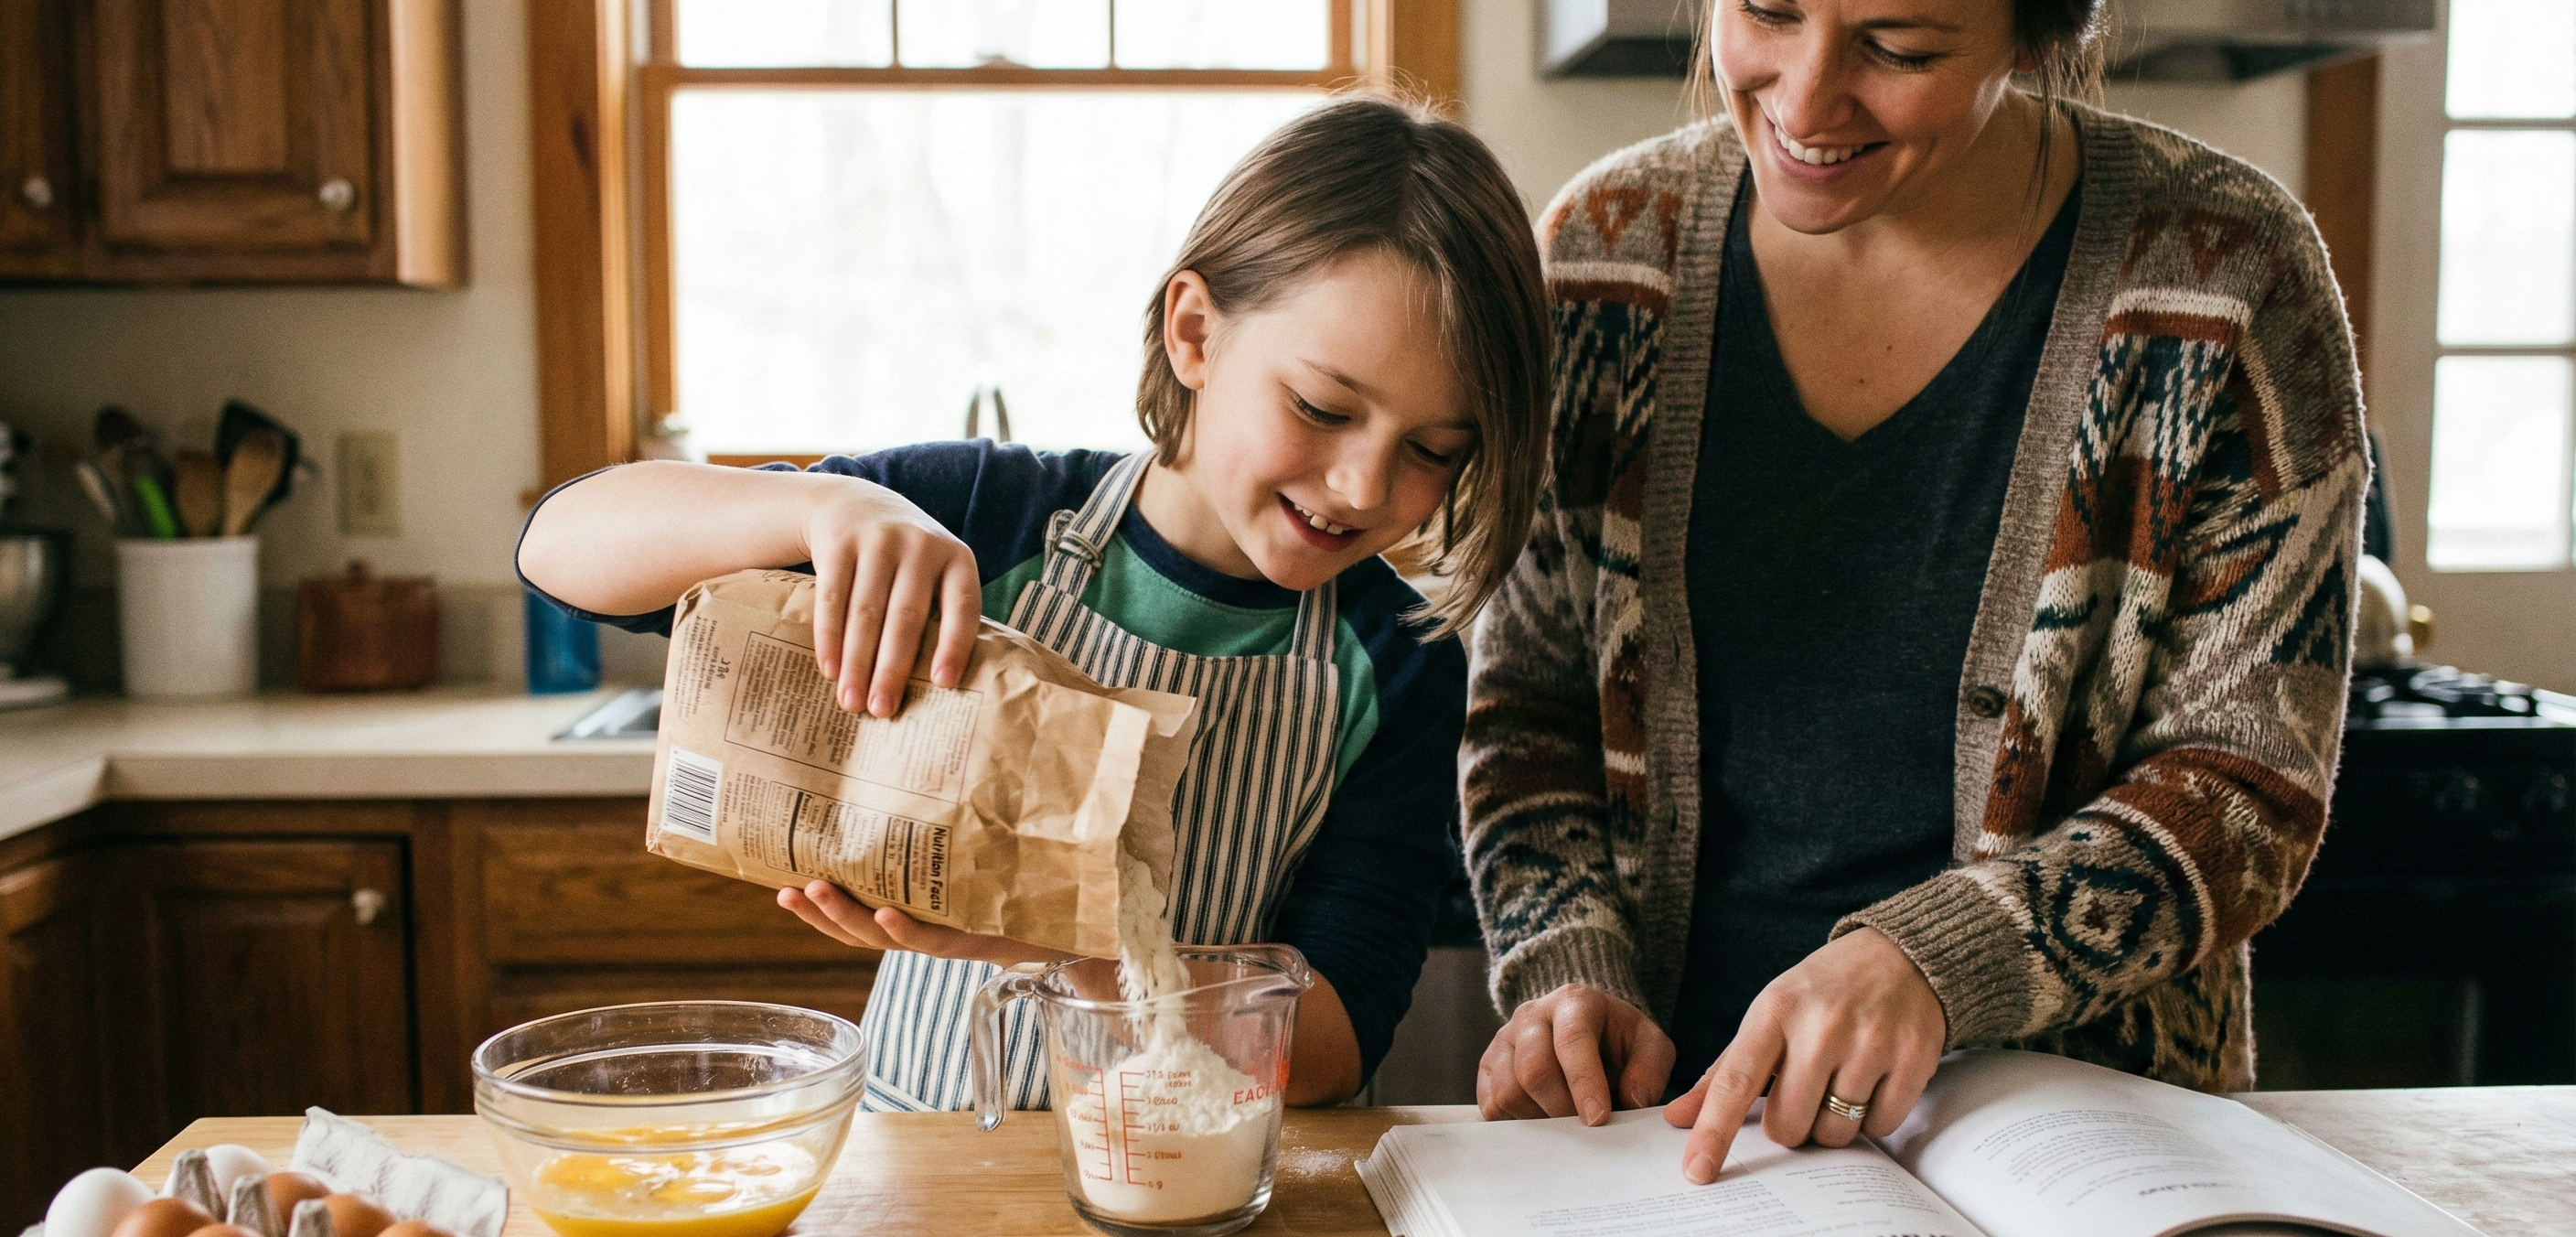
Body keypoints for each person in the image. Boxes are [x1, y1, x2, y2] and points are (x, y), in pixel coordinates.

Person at [1460, 0, 2366, 1185]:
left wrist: (1942, 961)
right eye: (1767, 10)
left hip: (2082, 1151)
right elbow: (1526, 712)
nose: (1804, 97)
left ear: (2034, 35)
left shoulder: (2233, 269)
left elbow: (2250, 783)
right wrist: (1565, 959)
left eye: (1899, 48)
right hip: (1669, 1146)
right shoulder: (1601, 260)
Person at [518, 95, 1549, 1113]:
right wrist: (817, 506)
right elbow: (558, 547)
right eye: (1321, 408)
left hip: (1211, 1174)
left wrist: (1050, 942)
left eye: (1431, 450)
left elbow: (1334, 1041)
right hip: (921, 1159)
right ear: (1194, 333)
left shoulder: (1396, 662)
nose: (1364, 486)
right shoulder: (982, 518)